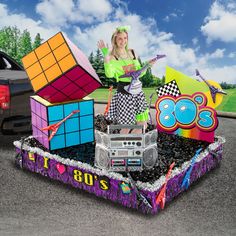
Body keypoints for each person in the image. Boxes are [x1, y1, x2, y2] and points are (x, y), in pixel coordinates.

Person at [97, 26, 156, 134]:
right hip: (125, 94)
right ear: (115, 40)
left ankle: (134, 147)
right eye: (120, 38)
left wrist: (148, 65)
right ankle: (122, 148)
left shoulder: (132, 52)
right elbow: (109, 74)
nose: (123, 41)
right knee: (126, 127)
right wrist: (106, 58)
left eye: (125, 38)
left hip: (138, 92)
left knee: (143, 124)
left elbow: (139, 73)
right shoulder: (112, 57)